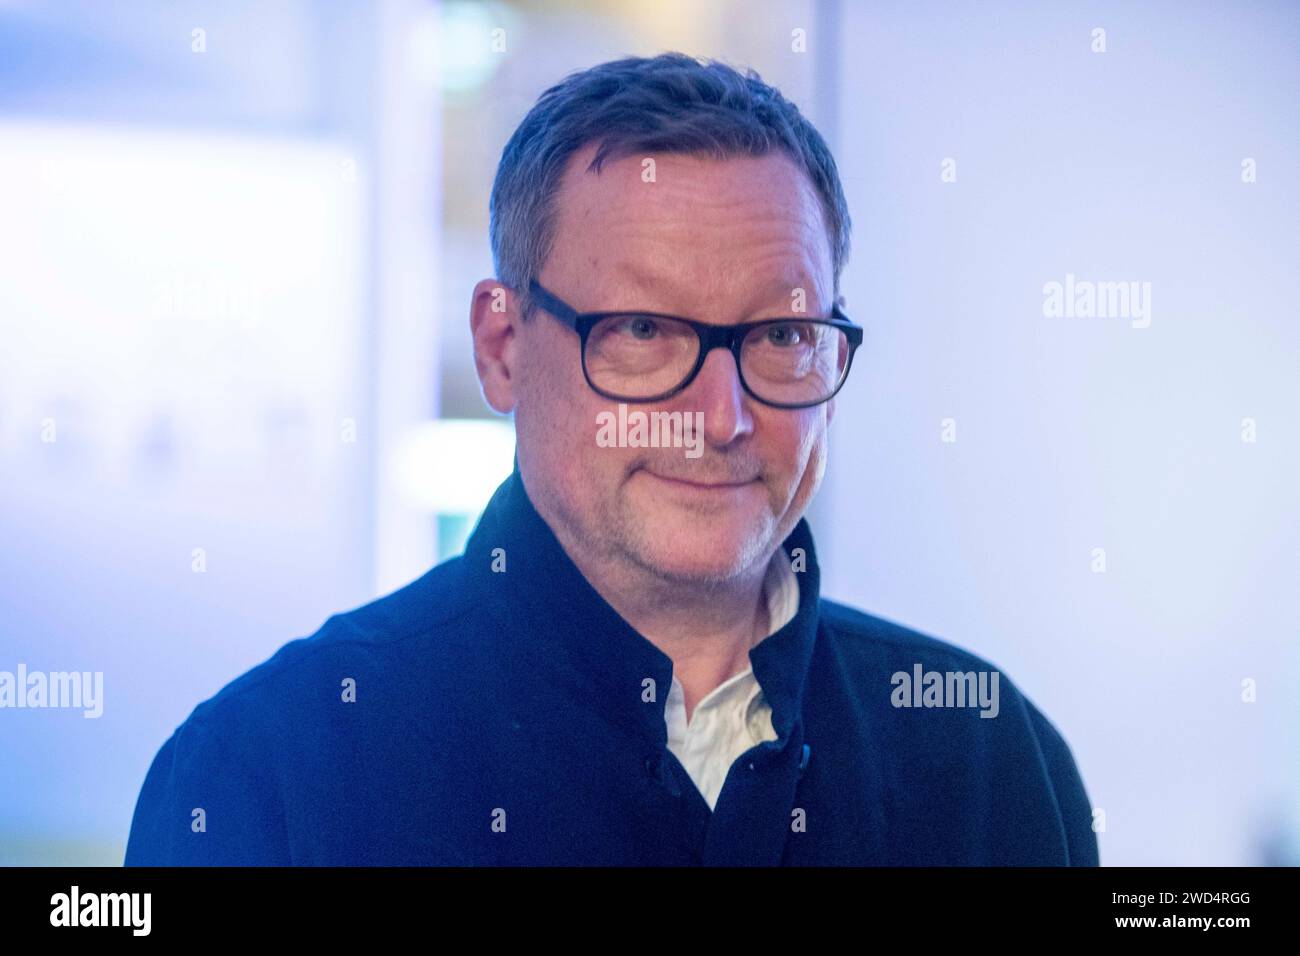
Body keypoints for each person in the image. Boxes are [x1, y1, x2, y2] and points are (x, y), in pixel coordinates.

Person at [125, 52, 1098, 866]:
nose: (721, 417)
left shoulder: (989, 759)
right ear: (503, 347)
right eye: (642, 329)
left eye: (782, 335)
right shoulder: (269, 774)